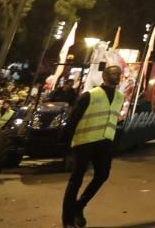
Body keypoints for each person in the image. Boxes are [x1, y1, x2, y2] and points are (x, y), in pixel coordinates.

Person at [62, 64, 124, 228]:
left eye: (119, 74)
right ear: (104, 76)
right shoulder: (90, 95)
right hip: (85, 142)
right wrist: (67, 144)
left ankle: (79, 205)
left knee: (102, 175)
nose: (117, 76)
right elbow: (73, 119)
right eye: (113, 73)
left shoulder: (120, 97)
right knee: (76, 180)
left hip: (105, 143)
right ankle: (67, 219)